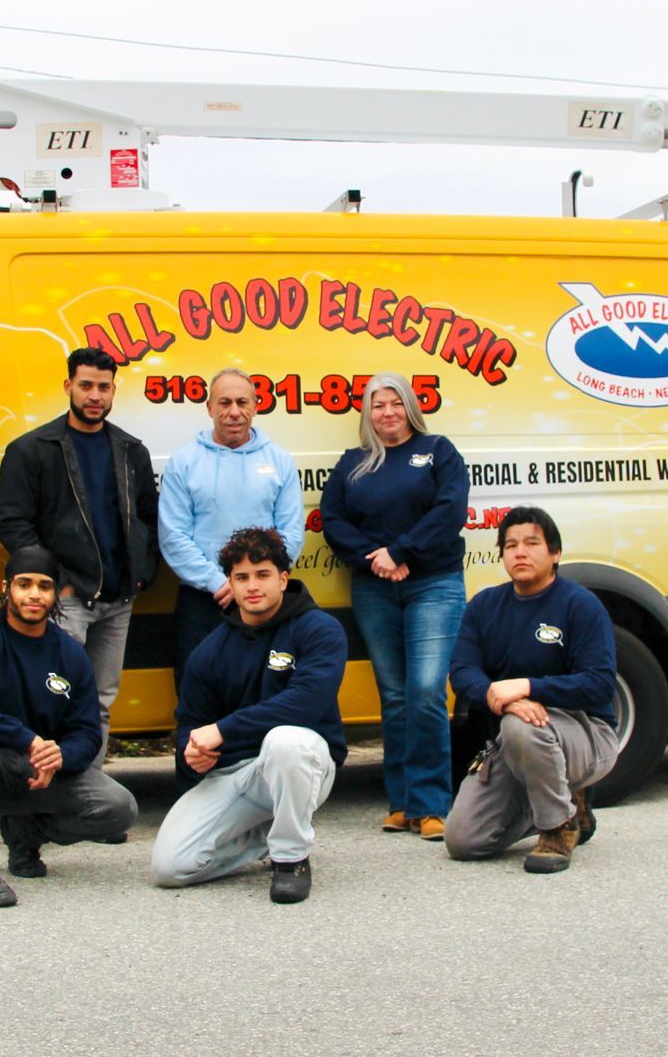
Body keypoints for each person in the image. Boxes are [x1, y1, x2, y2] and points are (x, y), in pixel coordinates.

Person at [0, 547, 140, 907]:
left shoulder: (69, 652)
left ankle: (27, 831)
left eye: (44, 586)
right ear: (6, 588)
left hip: (40, 772)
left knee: (120, 808)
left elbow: (87, 731)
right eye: (24, 584)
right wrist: (28, 741)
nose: (34, 594)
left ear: (55, 594)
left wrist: (59, 756)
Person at [152, 527, 347, 904]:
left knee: (286, 740)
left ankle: (290, 857)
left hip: (303, 763)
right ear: (230, 584)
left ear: (283, 578)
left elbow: (305, 703)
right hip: (238, 773)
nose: (252, 586)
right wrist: (192, 754)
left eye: (262, 574)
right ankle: (263, 838)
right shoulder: (210, 652)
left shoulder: (319, 630)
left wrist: (223, 731)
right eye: (241, 577)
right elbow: (190, 725)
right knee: (170, 867)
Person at [318, 372, 469, 842]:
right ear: (367, 413)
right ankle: (402, 803)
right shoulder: (354, 463)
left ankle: (431, 804)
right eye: (377, 405)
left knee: (425, 690)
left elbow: (450, 510)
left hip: (434, 585)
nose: (387, 413)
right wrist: (376, 559)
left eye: (395, 403)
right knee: (396, 695)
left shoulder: (438, 451)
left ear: (410, 407)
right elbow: (333, 520)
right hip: (375, 588)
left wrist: (401, 552)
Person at [0, 347, 158, 766]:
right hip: (64, 600)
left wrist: (141, 573)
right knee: (53, 697)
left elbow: (149, 519)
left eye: (104, 387)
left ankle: (90, 790)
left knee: (100, 700)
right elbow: (13, 524)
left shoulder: (129, 450)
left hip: (118, 599)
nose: (94, 395)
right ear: (68, 386)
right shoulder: (32, 450)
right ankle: (45, 791)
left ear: (113, 390)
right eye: (85, 385)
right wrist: (53, 581)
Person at [445, 507, 617, 873]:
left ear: (555, 553)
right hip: (514, 738)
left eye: (531, 543)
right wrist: (501, 699)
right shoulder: (484, 606)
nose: (519, 552)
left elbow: (599, 683)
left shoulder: (581, 605)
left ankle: (557, 828)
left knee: (521, 726)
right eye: (510, 545)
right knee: (463, 841)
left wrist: (527, 687)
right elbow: (462, 671)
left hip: (586, 734)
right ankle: (565, 801)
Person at [156, 367, 305, 694]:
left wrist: (253, 581)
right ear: (209, 407)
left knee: (268, 691)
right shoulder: (184, 462)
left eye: (242, 402)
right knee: (198, 693)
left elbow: (291, 531)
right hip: (203, 599)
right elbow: (173, 536)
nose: (234, 412)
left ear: (256, 405)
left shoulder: (279, 460)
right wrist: (219, 583)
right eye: (224, 403)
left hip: (265, 600)